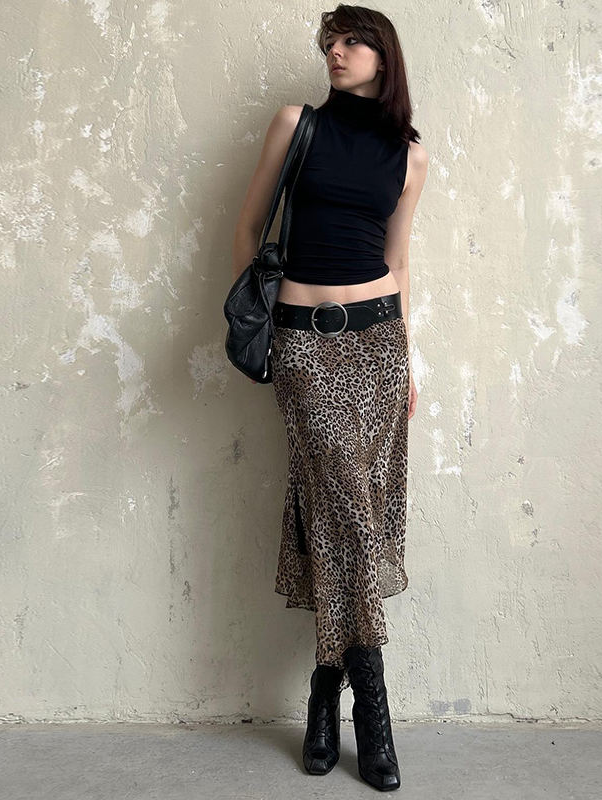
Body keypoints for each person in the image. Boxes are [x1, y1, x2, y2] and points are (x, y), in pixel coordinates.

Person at [231, 4, 428, 792]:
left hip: (380, 344)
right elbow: (248, 229)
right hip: (304, 344)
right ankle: (373, 712)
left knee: (345, 509)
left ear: (384, 55)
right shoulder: (296, 125)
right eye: (330, 43)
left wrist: (411, 364)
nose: (336, 53)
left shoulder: (410, 156)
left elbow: (400, 263)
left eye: (351, 42)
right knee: (349, 506)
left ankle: (323, 689)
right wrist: (265, 323)